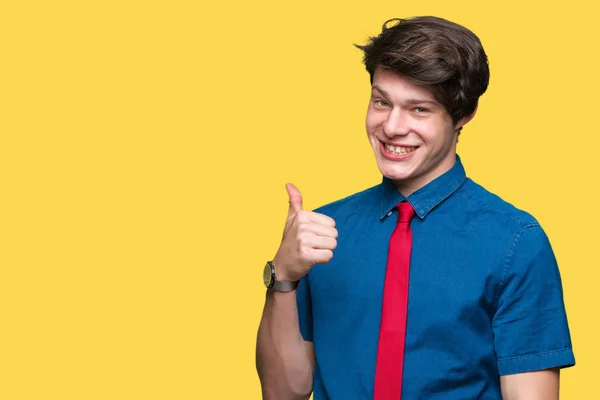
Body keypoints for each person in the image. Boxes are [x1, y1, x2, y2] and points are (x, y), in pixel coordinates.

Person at [256, 16, 575, 400]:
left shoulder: (515, 242)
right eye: (381, 101)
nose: (391, 127)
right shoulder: (323, 232)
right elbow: (282, 393)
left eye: (419, 109)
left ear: (463, 115)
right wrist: (284, 274)